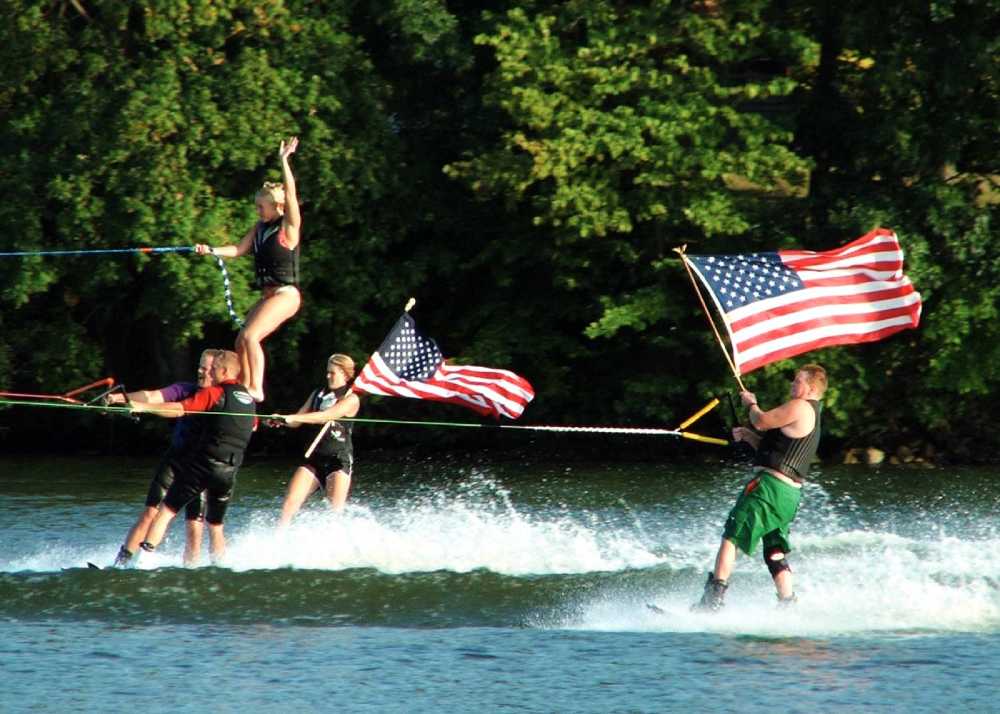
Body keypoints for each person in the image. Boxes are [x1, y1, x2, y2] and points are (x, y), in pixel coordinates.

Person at [694, 363, 827, 611]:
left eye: (796, 381)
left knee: (732, 535)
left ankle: (712, 602)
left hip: (769, 489)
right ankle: (787, 604)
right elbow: (772, 449)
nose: (791, 384)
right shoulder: (812, 414)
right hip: (788, 495)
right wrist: (746, 435)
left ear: (809, 388)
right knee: (774, 550)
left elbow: (763, 421)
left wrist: (751, 404)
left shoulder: (800, 406)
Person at [195, 137, 302, 403]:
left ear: (276, 206)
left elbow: (291, 196)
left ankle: (256, 388)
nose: (257, 210)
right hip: (268, 295)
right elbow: (238, 249)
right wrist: (211, 250)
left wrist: (284, 161)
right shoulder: (259, 228)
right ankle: (243, 384)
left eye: (260, 206)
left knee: (252, 336)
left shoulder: (287, 227)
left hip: (286, 295)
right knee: (241, 338)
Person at [129, 350, 256, 563]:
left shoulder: (214, 392)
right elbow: (252, 427)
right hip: (229, 472)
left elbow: (179, 409)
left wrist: (142, 407)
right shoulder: (248, 400)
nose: (210, 372)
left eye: (214, 369)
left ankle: (142, 561)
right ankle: (220, 568)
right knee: (215, 525)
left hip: (203, 467)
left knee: (166, 511)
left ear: (224, 371)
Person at [106, 349, 221, 568]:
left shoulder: (221, 399)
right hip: (176, 459)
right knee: (150, 512)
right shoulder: (185, 390)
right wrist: (118, 398)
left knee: (194, 525)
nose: (200, 371)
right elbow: (151, 396)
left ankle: (191, 571)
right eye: (199, 366)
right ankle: (121, 564)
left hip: (201, 465)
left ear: (217, 372)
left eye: (206, 368)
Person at [271, 354, 361, 526]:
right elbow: (297, 420)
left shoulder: (351, 398)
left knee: (334, 514)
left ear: (344, 373)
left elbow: (326, 416)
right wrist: (282, 419)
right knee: (289, 506)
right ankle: (278, 543)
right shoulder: (317, 394)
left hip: (338, 460)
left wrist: (291, 418)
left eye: (332, 373)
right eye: (327, 372)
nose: (327, 376)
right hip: (314, 459)